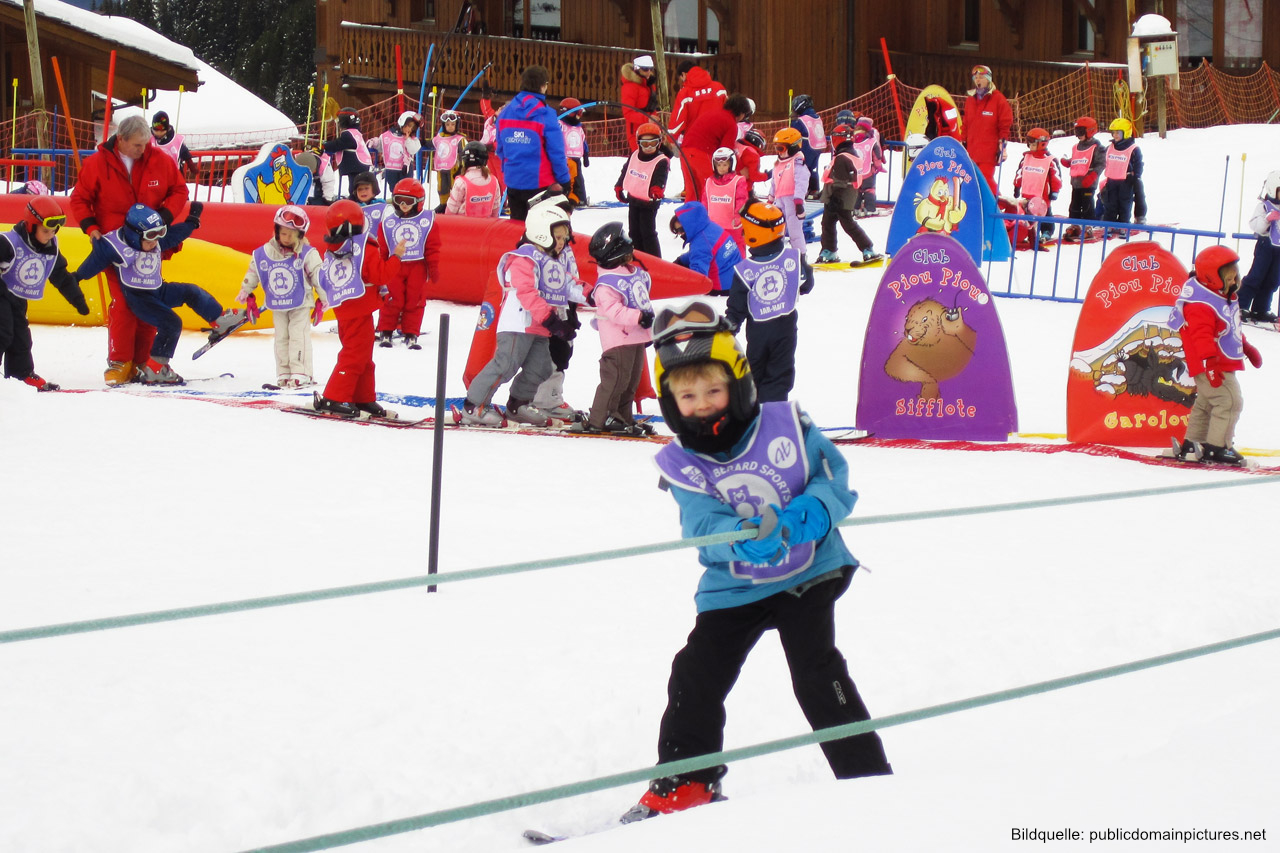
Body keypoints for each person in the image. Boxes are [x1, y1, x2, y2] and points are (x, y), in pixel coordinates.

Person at [620, 299, 892, 823]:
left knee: (815, 671)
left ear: (739, 382)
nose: (702, 405)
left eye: (713, 390)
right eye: (687, 395)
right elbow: (700, 527)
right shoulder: (682, 462)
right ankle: (687, 782)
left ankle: (866, 780)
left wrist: (804, 518)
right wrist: (741, 539)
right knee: (695, 672)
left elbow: (831, 479)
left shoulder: (785, 423)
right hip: (736, 585)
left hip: (808, 572)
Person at [70, 113, 190, 385]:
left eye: (145, 144)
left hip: (150, 246)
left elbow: (179, 191)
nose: (143, 149)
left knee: (149, 302)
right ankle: (119, 361)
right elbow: (79, 199)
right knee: (124, 302)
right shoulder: (97, 164)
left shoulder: (160, 160)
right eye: (137, 145)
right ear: (121, 139)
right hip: (115, 247)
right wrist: (91, 228)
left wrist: (164, 219)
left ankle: (141, 361)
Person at [72, 203, 246, 385]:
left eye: (158, 236)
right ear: (133, 234)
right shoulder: (114, 246)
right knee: (171, 323)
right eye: (150, 238)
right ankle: (155, 368)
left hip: (158, 290)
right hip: (140, 299)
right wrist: (75, 279)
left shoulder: (154, 239)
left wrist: (192, 221)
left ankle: (219, 320)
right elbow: (93, 263)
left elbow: (175, 234)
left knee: (190, 291)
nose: (155, 243)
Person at [458, 201, 585, 426]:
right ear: (542, 232)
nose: (562, 242)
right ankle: (473, 405)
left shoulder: (552, 262)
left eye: (564, 238)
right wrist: (551, 320)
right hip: (519, 324)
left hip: (539, 328)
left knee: (543, 367)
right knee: (505, 365)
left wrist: (594, 295)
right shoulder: (523, 258)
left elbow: (569, 285)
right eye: (558, 237)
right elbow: (527, 294)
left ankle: (518, 403)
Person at [1169, 246, 1263, 466]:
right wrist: (1210, 363)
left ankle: (1194, 443)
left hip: (1216, 362)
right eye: (1228, 278)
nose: (1233, 282)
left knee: (1207, 402)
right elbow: (1200, 336)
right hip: (1211, 364)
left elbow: (1230, 327)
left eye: (1235, 277)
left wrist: (1246, 347)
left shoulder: (1220, 296)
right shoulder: (1201, 304)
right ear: (1212, 278)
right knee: (1229, 401)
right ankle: (1218, 447)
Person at [312, 199, 406, 417]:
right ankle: (333, 397)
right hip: (360, 311)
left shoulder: (334, 249)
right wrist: (397, 257)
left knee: (363, 357)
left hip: (346, 311)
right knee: (354, 356)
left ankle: (362, 397)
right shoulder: (364, 248)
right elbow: (380, 274)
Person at [569, 222, 654, 435]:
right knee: (614, 380)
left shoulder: (633, 273)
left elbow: (641, 299)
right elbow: (614, 311)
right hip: (618, 340)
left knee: (630, 382)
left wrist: (648, 329)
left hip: (635, 338)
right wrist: (639, 317)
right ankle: (599, 418)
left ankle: (621, 417)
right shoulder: (606, 285)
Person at [725, 201, 814, 402]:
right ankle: (775, 409)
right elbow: (807, 284)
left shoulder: (745, 269)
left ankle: (754, 409)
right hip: (786, 327)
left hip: (759, 331)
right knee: (781, 372)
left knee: (755, 370)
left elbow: (737, 305)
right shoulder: (794, 258)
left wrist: (731, 324)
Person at [0, 196, 90, 391]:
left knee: (21, 336)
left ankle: (21, 374)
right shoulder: (8, 242)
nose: (51, 235)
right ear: (31, 226)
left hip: (17, 298)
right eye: (46, 230)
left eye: (54, 231)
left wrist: (78, 300)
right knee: (3, 331)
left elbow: (62, 277)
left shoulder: (50, 250)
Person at [235, 205, 322, 388]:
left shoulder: (307, 253)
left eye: (292, 234)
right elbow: (254, 270)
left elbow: (318, 275)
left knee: (299, 336)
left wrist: (323, 298)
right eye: (283, 233)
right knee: (281, 337)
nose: (287, 238)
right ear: (276, 232)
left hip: (301, 302)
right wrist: (247, 291)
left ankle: (301, 372)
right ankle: (284, 372)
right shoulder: (264, 253)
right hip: (278, 303)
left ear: (300, 234)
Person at [496, 65, 570, 220]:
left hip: (514, 182)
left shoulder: (505, 113)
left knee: (517, 229)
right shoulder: (545, 114)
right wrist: (564, 179)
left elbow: (501, 149)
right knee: (540, 230)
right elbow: (556, 152)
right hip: (540, 185)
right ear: (543, 86)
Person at [375, 177, 441, 351]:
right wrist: (381, 267)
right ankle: (386, 329)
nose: (404, 205)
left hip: (417, 266)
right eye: (399, 200)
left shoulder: (427, 221)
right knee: (392, 298)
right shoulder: (388, 222)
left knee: (415, 299)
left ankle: (411, 331)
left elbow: (432, 246)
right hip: (394, 265)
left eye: (408, 201)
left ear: (418, 202)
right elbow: (382, 246)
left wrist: (433, 268)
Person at [815, 123, 878, 265]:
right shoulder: (850, 154)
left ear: (838, 139)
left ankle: (867, 248)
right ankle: (829, 250)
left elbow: (840, 181)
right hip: (840, 195)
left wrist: (834, 199)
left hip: (838, 197)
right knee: (828, 223)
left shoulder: (842, 157)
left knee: (847, 224)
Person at [681, 94, 754, 204]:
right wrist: (741, 168)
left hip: (684, 152)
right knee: (710, 190)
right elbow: (726, 151)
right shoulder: (730, 123)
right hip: (702, 154)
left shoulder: (712, 113)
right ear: (742, 113)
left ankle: (687, 219)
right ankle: (710, 218)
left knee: (692, 192)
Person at [614, 122, 670, 259]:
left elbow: (660, 177)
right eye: (645, 144)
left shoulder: (661, 160)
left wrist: (657, 188)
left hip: (649, 202)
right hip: (634, 198)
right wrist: (619, 186)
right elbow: (626, 171)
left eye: (653, 143)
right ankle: (637, 256)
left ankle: (654, 259)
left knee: (647, 232)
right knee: (634, 231)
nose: (649, 147)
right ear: (639, 143)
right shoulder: (634, 156)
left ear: (659, 143)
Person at [670, 200, 741, 297]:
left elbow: (698, 278)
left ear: (690, 225)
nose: (680, 234)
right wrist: (681, 261)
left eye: (680, 230)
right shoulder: (711, 228)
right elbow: (704, 253)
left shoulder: (701, 242)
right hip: (736, 278)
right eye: (676, 231)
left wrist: (676, 285)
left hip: (722, 287)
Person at [1237, 170, 1280, 323]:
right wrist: (1267, 219)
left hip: (1279, 248)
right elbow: (1255, 225)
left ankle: (1261, 308)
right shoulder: (1264, 206)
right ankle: (1241, 305)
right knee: (1257, 275)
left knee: (1273, 279)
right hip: (1265, 245)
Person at [962, 64, 1012, 193]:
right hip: (971, 151)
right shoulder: (970, 100)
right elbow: (966, 123)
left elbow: (1005, 124)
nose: (978, 80)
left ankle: (1000, 206)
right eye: (976, 77)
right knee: (971, 180)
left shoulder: (998, 99)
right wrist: (963, 141)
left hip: (988, 152)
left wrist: (1002, 145)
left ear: (989, 79)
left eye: (981, 77)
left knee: (985, 180)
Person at [1011, 127, 1061, 246]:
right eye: (1029, 144)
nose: (1030, 147)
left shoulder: (1050, 160)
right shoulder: (1026, 158)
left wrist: (1055, 191)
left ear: (1042, 144)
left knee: (1045, 213)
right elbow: (1020, 173)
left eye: (1033, 144)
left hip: (1043, 195)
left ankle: (1047, 230)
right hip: (1028, 193)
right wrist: (1016, 187)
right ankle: (1029, 233)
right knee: (1027, 214)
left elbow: (1056, 177)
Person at [1060, 116, 1105, 240]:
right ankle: (1075, 226)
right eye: (1076, 132)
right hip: (1076, 182)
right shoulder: (1076, 147)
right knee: (1074, 205)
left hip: (1088, 183)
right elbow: (1077, 160)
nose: (1078, 135)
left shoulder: (1097, 147)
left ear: (1090, 131)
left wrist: (1094, 175)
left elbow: (1102, 163)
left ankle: (1088, 227)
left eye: (1080, 132)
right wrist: (1068, 162)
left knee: (1087, 206)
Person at [769, 128, 810, 252]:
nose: (778, 152)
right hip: (779, 201)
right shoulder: (778, 163)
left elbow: (801, 182)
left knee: (794, 232)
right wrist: (770, 200)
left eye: (781, 148)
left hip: (793, 202)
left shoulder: (797, 163)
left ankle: (801, 256)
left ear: (793, 147)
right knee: (777, 230)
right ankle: (777, 254)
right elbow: (774, 182)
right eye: (776, 148)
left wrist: (798, 201)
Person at [321, 107, 374, 200]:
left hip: (356, 164)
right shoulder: (356, 133)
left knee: (355, 185)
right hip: (361, 163)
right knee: (358, 183)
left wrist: (325, 146)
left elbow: (339, 144)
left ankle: (356, 200)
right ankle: (357, 199)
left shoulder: (348, 134)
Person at [703, 147, 749, 255]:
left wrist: (738, 218)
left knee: (737, 251)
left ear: (731, 164)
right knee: (717, 252)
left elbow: (742, 200)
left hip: (733, 226)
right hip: (714, 226)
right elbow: (705, 202)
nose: (722, 168)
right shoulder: (709, 182)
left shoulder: (738, 181)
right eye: (719, 165)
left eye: (725, 164)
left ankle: (739, 270)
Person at [1099, 118, 1142, 230]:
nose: (1115, 135)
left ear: (1125, 132)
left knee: (1125, 204)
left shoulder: (1133, 149)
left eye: (1118, 132)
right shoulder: (1110, 147)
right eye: (1113, 132)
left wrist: (1135, 176)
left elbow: (1138, 164)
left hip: (1126, 181)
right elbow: (1103, 160)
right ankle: (1109, 225)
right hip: (1111, 180)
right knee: (1110, 204)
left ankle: (1124, 225)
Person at [446, 142, 503, 218]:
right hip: (486, 226)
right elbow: (495, 208)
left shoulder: (462, 182)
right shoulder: (493, 181)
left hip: (463, 226)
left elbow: (452, 208)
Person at [371, 110, 422, 193]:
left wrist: (407, 140)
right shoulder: (387, 135)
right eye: (408, 126)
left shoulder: (413, 139)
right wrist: (374, 142)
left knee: (406, 190)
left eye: (412, 127)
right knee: (394, 190)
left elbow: (413, 150)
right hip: (391, 169)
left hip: (405, 170)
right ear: (402, 122)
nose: (409, 129)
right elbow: (381, 145)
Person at [789, 94, 827, 199]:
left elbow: (794, 132)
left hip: (806, 147)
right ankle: (814, 188)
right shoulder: (817, 117)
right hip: (817, 147)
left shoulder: (801, 120)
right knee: (812, 168)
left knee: (802, 168)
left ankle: (803, 189)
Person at [620, 54, 658, 152]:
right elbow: (628, 113)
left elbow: (652, 107)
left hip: (650, 129)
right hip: (636, 131)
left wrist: (655, 123)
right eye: (645, 69)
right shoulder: (630, 87)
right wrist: (648, 119)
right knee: (639, 157)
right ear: (637, 69)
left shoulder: (650, 85)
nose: (648, 72)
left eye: (650, 68)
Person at [851, 117, 887, 216]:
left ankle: (855, 208)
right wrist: (878, 167)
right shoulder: (871, 141)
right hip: (868, 172)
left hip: (855, 171)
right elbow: (877, 156)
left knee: (857, 189)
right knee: (869, 189)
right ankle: (870, 209)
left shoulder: (852, 139)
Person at [558, 97, 590, 205]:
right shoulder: (560, 125)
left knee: (578, 179)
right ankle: (566, 198)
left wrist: (586, 155)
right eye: (578, 114)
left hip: (577, 158)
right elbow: (554, 140)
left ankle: (580, 198)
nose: (579, 117)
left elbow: (583, 142)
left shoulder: (579, 128)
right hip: (565, 159)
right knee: (568, 180)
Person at [430, 110, 466, 201]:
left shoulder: (459, 139)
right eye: (447, 125)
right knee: (442, 187)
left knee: (455, 188)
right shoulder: (439, 137)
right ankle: (443, 203)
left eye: (453, 124)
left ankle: (456, 203)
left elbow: (463, 154)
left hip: (454, 169)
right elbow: (430, 144)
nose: (450, 127)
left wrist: (461, 168)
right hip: (441, 168)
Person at [149, 111, 196, 179]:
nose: (158, 133)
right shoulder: (149, 139)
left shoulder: (175, 140)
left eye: (162, 131)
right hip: (156, 176)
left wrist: (191, 165)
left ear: (167, 129)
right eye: (156, 131)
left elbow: (185, 152)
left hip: (175, 175)